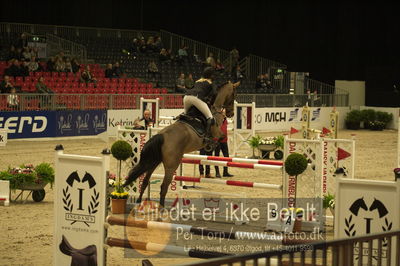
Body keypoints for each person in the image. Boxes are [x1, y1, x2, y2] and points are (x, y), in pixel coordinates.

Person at [184, 67, 217, 137]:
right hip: (196, 98)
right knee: (210, 118)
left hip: (186, 97)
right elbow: (215, 93)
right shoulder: (211, 82)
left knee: (185, 116)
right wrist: (211, 101)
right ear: (211, 75)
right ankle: (206, 137)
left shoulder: (197, 81)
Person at [214, 109, 234, 177]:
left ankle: (225, 172)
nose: (224, 114)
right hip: (217, 141)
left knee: (226, 157)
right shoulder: (217, 120)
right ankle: (217, 172)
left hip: (224, 141)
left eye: (224, 113)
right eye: (223, 113)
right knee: (216, 157)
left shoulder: (225, 120)